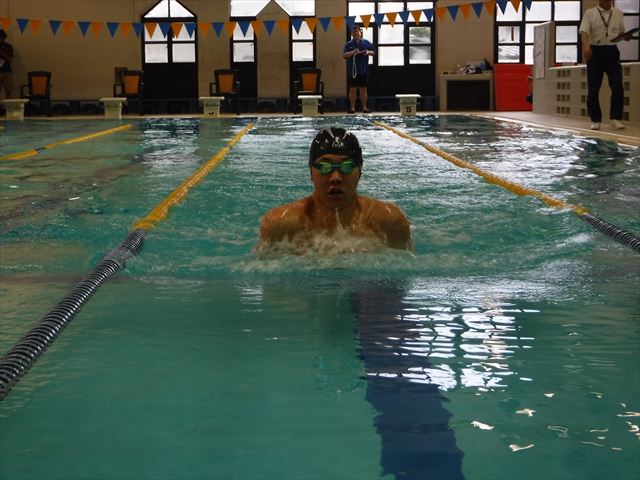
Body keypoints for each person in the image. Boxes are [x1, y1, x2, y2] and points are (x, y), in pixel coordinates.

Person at [259, 127, 411, 251]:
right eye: (325, 166)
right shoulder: (281, 225)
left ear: (359, 172)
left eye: (346, 166)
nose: (336, 177)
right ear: (311, 172)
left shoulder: (389, 222)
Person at [579, 0, 632, 131]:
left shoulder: (618, 13)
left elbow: (620, 33)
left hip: (611, 51)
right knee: (593, 88)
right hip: (595, 52)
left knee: (617, 85)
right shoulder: (590, 13)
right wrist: (586, 47)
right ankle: (595, 120)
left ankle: (615, 118)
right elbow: (584, 33)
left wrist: (626, 36)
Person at [343, 25, 375, 114]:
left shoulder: (366, 42)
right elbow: (344, 55)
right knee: (352, 89)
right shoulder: (348, 44)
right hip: (352, 71)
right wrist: (353, 52)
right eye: (354, 32)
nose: (356, 33)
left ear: (360, 33)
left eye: (357, 31)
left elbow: (373, 52)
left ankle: (364, 108)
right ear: (352, 34)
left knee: (363, 89)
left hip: (363, 70)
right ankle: (352, 108)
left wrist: (367, 52)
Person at [0, 29, 14, 100]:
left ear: (4, 37)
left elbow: (10, 59)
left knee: (8, 91)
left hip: (7, 71)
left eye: (1, 37)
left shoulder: (8, 46)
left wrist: (2, 54)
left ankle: (8, 105)